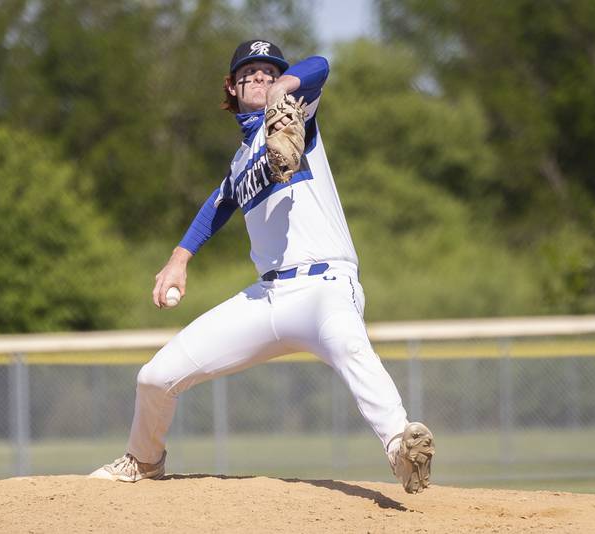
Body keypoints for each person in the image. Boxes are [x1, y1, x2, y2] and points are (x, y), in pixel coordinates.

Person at [90, 39, 435, 494]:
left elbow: (320, 65)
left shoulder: (295, 116)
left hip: (325, 286)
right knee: (154, 377)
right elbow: (218, 204)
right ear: (230, 87)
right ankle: (144, 459)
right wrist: (179, 258)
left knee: (354, 351)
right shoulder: (239, 162)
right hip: (266, 297)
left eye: (269, 71)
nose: (260, 77)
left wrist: (285, 91)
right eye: (248, 72)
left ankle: (401, 449)